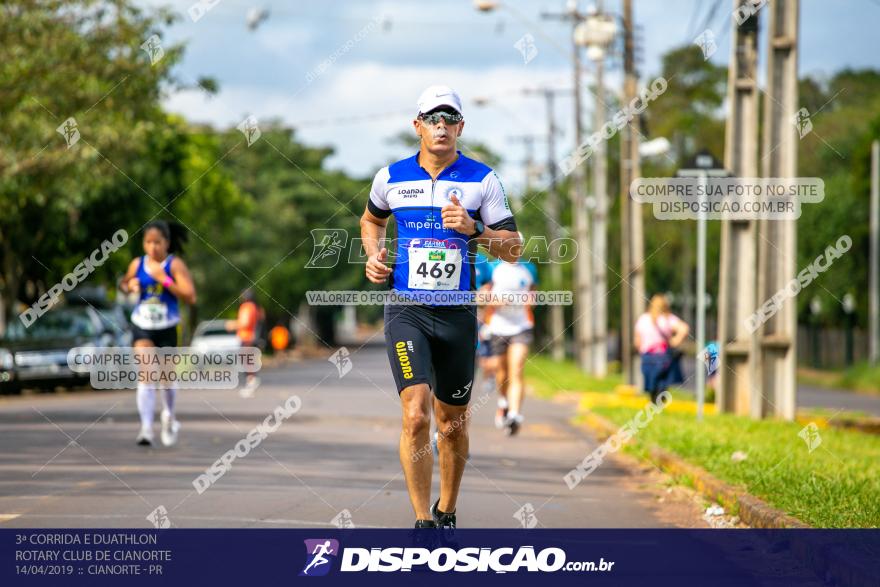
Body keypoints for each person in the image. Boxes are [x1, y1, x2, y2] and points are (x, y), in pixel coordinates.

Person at [360, 85, 522, 529]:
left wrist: (473, 230)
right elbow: (371, 219)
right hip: (407, 308)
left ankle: (446, 510)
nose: (441, 126)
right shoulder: (390, 177)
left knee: (451, 422)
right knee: (415, 415)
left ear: (461, 127)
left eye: (450, 119)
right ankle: (421, 521)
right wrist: (373, 255)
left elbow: (513, 248)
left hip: (457, 314)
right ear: (417, 126)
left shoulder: (483, 179)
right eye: (433, 119)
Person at [119, 221, 196, 447]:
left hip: (167, 327)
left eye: (157, 242)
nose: (153, 247)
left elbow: (190, 296)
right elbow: (124, 284)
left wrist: (165, 280)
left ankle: (169, 416)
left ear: (167, 243)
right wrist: (130, 285)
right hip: (142, 324)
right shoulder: (137, 264)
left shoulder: (174, 265)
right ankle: (145, 428)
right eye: (148, 242)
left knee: (166, 378)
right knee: (147, 372)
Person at [486, 255, 537, 435]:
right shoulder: (492, 268)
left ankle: (514, 415)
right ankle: (503, 402)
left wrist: (532, 300)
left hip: (521, 326)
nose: (515, 249)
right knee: (502, 371)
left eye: (518, 245)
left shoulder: (529, 268)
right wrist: (495, 302)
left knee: (517, 369)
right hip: (498, 326)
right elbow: (483, 295)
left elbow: (533, 292)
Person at [634, 294, 689, 404]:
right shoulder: (668, 319)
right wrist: (675, 341)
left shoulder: (643, 319)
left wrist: (641, 350)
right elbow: (684, 329)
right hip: (663, 356)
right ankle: (660, 402)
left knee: (651, 382)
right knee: (663, 383)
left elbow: (637, 340)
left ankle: (653, 401)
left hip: (648, 356)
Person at [226, 289, 264, 397]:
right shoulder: (256, 307)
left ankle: (251, 383)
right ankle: (250, 385)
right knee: (249, 362)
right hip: (251, 338)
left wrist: (232, 325)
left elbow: (245, 323)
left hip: (246, 338)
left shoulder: (247, 306)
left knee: (247, 364)